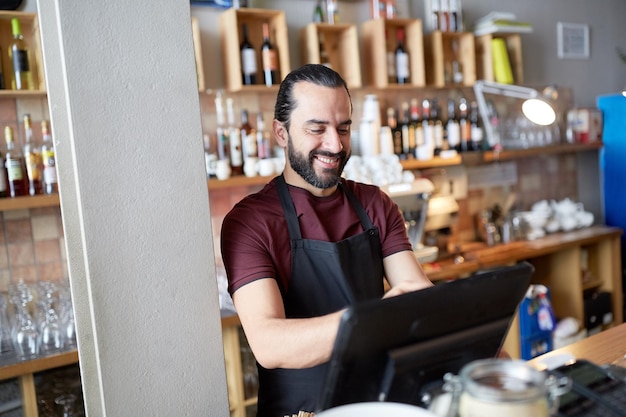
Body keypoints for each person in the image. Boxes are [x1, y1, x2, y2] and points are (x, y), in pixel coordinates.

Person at [220, 64, 433, 417]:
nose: (334, 144)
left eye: (343, 128)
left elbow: (417, 296)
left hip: (379, 404)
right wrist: (375, 319)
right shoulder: (250, 222)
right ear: (282, 133)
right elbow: (269, 344)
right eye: (317, 129)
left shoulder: (374, 204)